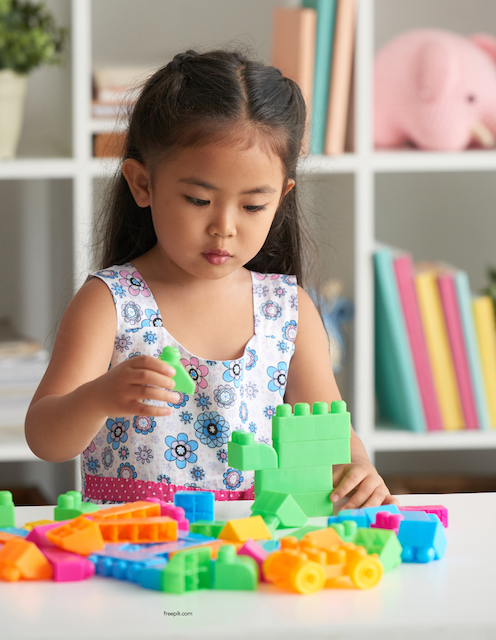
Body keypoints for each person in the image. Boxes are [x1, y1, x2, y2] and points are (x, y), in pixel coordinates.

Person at [25, 49, 397, 509]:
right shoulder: (112, 302)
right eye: (199, 200)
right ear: (143, 184)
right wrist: (98, 397)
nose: (224, 226)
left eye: (253, 206)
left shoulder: (288, 308)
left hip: (255, 544)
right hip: (132, 545)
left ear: (280, 198)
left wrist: (356, 466)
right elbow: (45, 438)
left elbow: (329, 432)